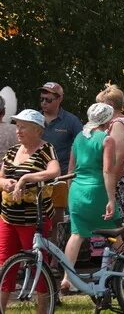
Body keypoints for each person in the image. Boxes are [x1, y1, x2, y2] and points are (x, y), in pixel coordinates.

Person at [0, 109, 60, 311]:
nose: (18, 130)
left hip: (34, 220)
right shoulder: (12, 151)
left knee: (38, 267)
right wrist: (5, 183)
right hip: (8, 218)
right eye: (17, 126)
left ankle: (44, 309)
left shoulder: (45, 149)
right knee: (5, 266)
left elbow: (54, 171)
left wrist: (25, 179)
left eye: (23, 126)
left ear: (37, 130)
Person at [60, 103, 120, 293]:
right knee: (115, 232)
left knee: (76, 235)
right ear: (108, 120)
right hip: (98, 190)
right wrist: (111, 199)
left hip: (77, 191)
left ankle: (66, 279)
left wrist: (72, 193)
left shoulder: (79, 137)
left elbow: (70, 170)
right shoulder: (107, 140)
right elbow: (107, 171)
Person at [39, 82, 82, 228]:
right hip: (37, 179)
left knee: (58, 224)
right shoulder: (35, 120)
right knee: (39, 222)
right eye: (42, 99)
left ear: (59, 99)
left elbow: (81, 147)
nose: (44, 103)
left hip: (61, 179)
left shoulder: (71, 121)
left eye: (48, 100)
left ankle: (57, 249)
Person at [96, 85, 124, 215]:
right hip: (123, 177)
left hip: (122, 180)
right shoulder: (120, 122)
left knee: (121, 220)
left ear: (109, 104)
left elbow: (120, 157)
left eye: (100, 105)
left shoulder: (117, 124)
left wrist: (111, 184)